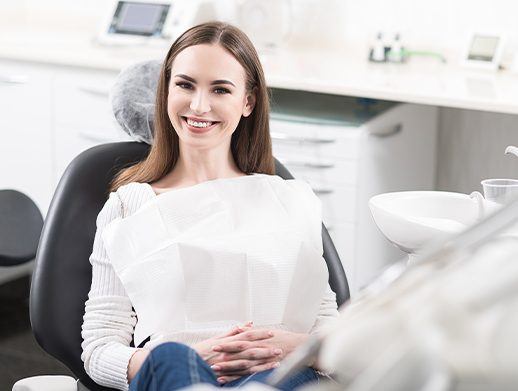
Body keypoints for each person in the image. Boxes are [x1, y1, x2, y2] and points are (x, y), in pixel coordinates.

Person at [81, 22, 339, 391]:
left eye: (220, 89)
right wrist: (194, 359)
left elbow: (333, 337)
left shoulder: (290, 201)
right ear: (166, 90)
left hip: (279, 373)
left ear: (247, 102)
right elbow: (98, 350)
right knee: (168, 356)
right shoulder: (129, 206)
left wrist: (285, 347)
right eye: (185, 85)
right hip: (178, 376)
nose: (199, 105)